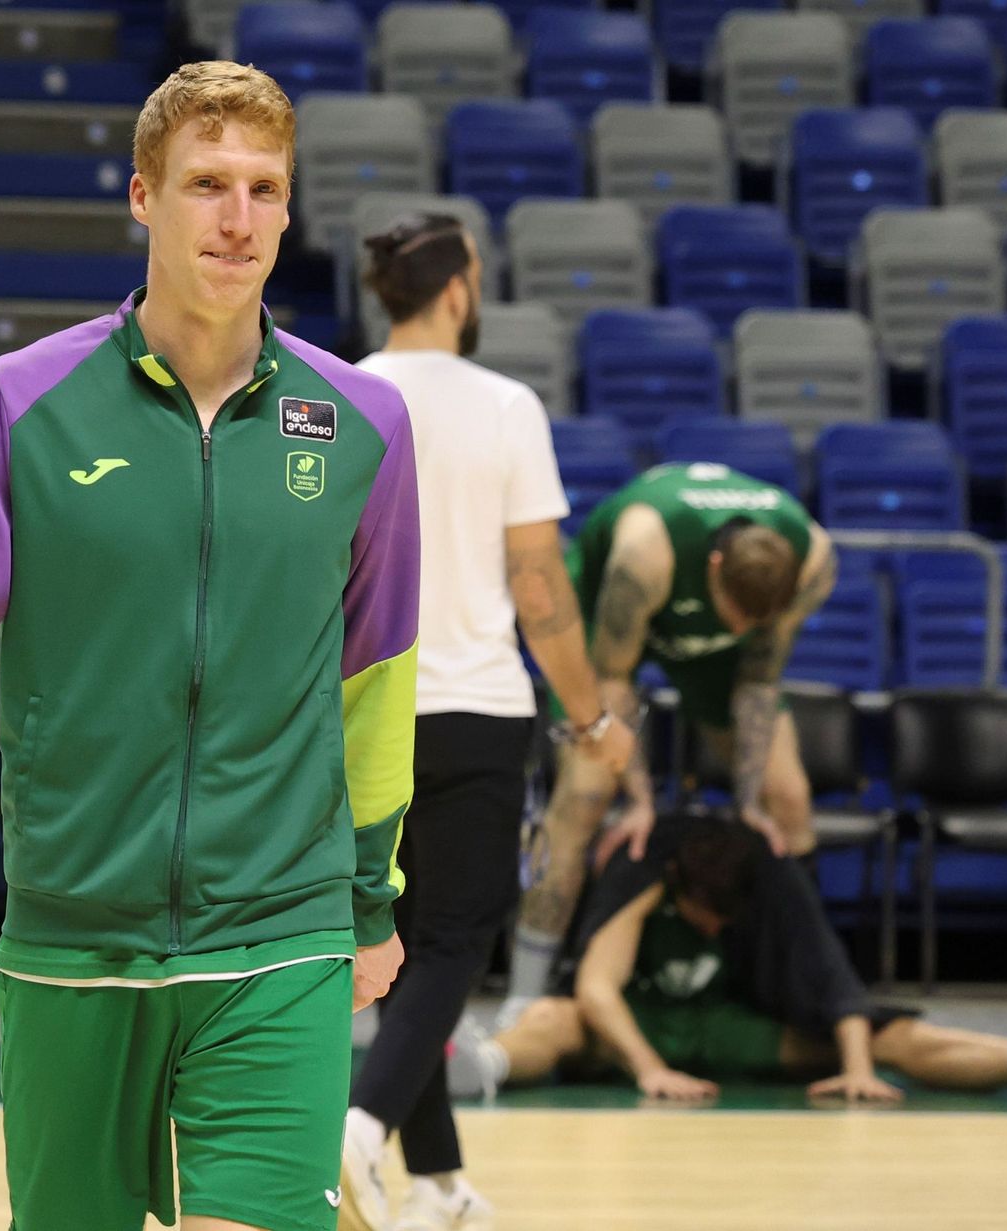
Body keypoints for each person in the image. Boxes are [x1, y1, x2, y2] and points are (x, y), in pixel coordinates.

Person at [0, 61, 420, 1231]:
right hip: (72, 936)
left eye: (263, 189)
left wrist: (367, 896)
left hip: (278, 931)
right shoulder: (20, 404)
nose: (237, 218)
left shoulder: (363, 425)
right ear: (143, 196)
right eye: (206, 184)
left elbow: (377, 677)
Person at [337, 214, 634, 1231]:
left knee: (400, 945)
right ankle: (360, 1129)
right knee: (458, 940)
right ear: (460, 289)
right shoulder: (505, 405)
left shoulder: (339, 392)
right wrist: (593, 719)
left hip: (364, 711)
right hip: (474, 710)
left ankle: (440, 1182)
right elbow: (539, 588)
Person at [504, 462, 838, 1016]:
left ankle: (808, 988)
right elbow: (614, 680)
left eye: (752, 623)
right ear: (714, 567)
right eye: (735, 614)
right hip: (608, 627)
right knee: (585, 797)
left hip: (707, 652)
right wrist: (638, 798)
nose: (740, 629)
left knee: (788, 798)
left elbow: (758, 682)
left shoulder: (814, 562)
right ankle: (524, 996)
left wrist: (749, 802)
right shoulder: (645, 554)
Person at [452, 817, 1007, 1103]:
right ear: (679, 885)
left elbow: (836, 984)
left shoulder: (769, 884)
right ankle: (482, 1068)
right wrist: (651, 1071)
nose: (715, 926)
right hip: (637, 1030)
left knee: (892, 1036)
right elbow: (597, 990)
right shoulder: (644, 881)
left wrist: (858, 1070)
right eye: (705, 914)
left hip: (732, 1028)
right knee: (552, 1018)